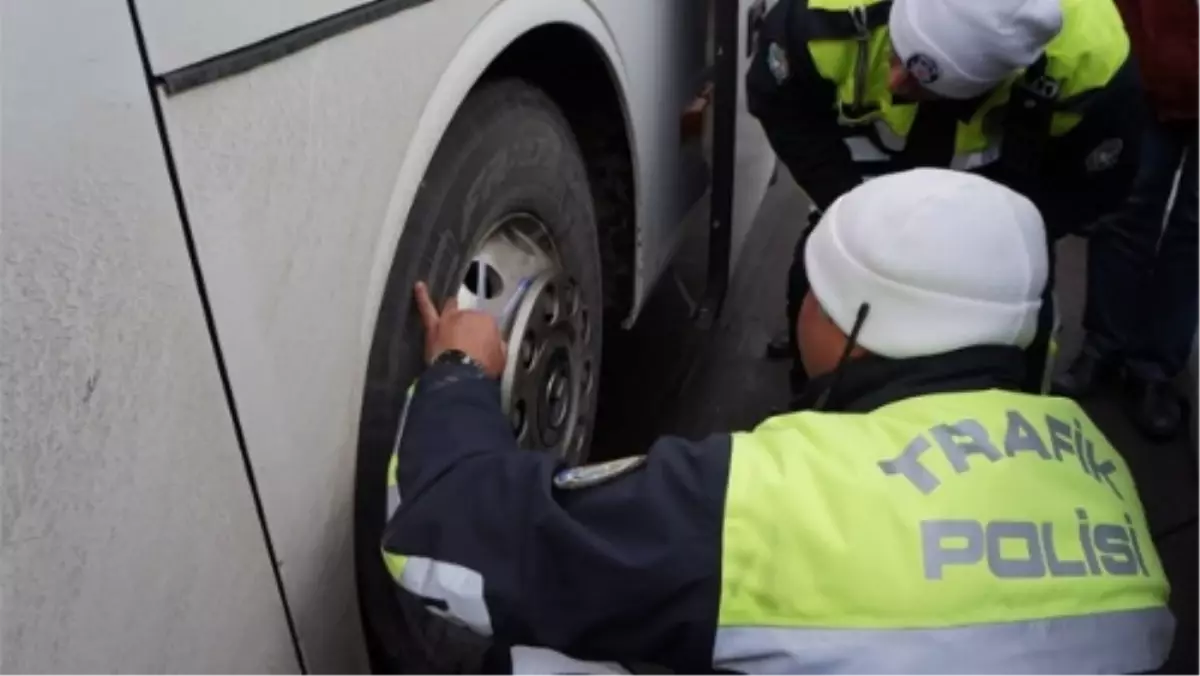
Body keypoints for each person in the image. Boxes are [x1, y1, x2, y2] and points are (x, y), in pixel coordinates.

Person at [381, 169, 1174, 675]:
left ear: (852, 325)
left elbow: (438, 536)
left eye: (812, 293)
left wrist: (458, 374)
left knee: (537, 663)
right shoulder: (1102, 473)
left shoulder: (774, 502)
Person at [746, 0, 1143, 400]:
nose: (895, 82)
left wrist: (997, 243)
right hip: (863, 153)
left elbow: (1095, 185)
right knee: (819, 268)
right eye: (900, 54)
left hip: (1004, 180)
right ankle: (815, 390)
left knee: (1021, 318)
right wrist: (852, 204)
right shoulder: (819, 15)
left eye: (923, 79)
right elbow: (780, 105)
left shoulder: (1096, 63)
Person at [1054, 0, 1198, 441]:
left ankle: (1153, 368)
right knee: (1124, 205)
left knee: (1194, 228)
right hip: (1148, 63)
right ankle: (1103, 345)